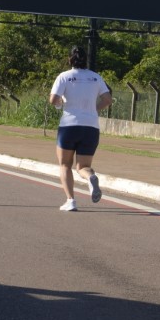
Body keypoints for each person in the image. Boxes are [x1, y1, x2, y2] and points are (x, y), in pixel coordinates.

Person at [49, 46, 112, 211]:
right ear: (86, 60)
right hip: (90, 127)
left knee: (65, 165)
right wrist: (94, 110)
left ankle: (70, 201)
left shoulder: (64, 76)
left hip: (69, 126)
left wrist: (60, 103)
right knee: (83, 167)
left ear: (70, 59)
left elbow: (53, 99)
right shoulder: (96, 77)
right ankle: (90, 177)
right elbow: (107, 99)